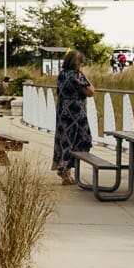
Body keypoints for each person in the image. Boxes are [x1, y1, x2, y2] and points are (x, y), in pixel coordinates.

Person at [51, 49, 95, 184]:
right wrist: (83, 74)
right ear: (78, 63)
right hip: (75, 111)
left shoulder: (62, 74)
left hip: (63, 110)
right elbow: (91, 91)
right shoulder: (77, 75)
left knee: (65, 139)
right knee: (83, 138)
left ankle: (65, 170)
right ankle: (65, 168)